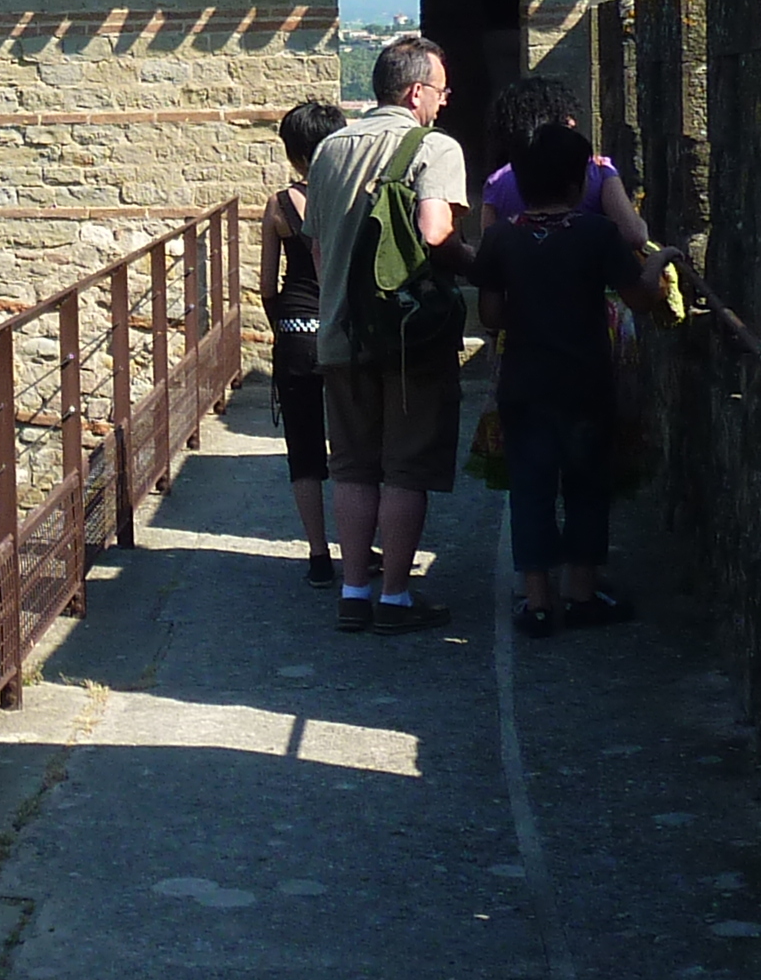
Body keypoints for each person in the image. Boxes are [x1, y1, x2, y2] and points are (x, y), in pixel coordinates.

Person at [474, 119, 667, 637]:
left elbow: (490, 316)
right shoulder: (597, 234)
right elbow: (640, 299)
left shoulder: (499, 241)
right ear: (576, 184)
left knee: (530, 487)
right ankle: (581, 592)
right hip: (585, 380)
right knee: (585, 486)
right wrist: (661, 264)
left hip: (524, 382)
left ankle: (537, 601)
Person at [306, 35, 470, 633]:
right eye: (441, 91)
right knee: (404, 468)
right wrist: (474, 260)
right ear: (416, 91)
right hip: (409, 338)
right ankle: (396, 598)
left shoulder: (328, 149)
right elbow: (432, 234)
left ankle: (353, 593)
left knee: (351, 466)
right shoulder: (436, 147)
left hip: (340, 334)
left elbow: (321, 249)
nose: (444, 104)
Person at [259, 97, 351, 579]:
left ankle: (318, 554)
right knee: (355, 446)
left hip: (295, 333)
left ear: (293, 152)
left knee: (304, 448)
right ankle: (360, 548)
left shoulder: (278, 205)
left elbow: (266, 285)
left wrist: (283, 326)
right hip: (342, 330)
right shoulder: (354, 195)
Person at [477, 76, 650, 256]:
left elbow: (488, 250)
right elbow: (635, 234)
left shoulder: (496, 182)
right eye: (561, 116)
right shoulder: (599, 171)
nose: (572, 122)